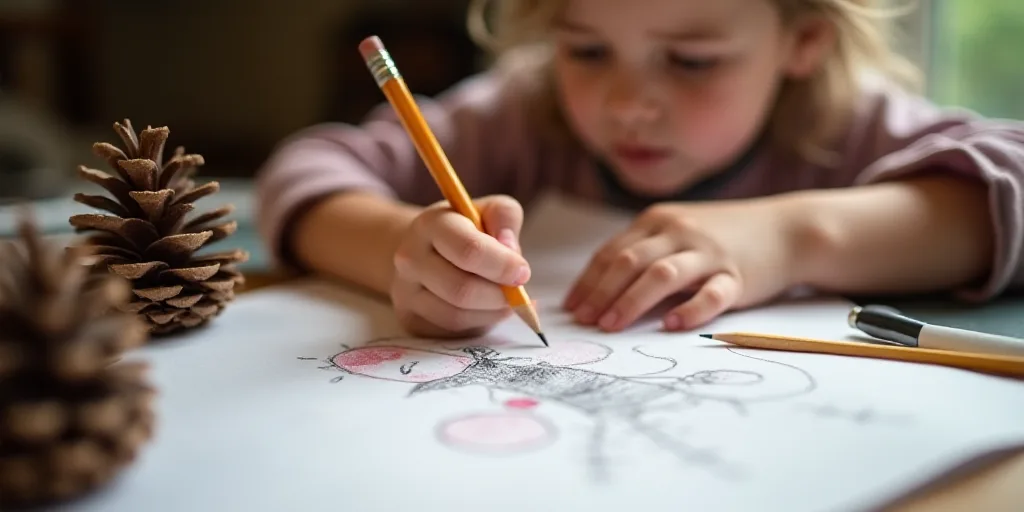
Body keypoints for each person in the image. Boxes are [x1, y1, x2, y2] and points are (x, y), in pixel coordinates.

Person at [253, 0, 1024, 339]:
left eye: (691, 61)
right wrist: (399, 251)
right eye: (587, 50)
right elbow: (306, 170)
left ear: (805, 43)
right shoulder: (524, 112)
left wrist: (794, 236)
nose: (627, 104)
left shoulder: (849, 124)